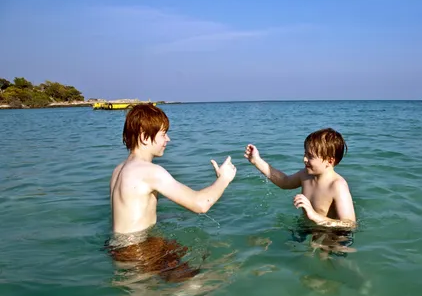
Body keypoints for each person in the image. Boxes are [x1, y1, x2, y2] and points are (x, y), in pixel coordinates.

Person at [108, 103, 236, 280]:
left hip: (119, 248)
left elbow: (132, 215)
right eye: (163, 134)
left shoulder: (119, 170)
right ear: (145, 137)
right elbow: (201, 204)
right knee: (207, 281)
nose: (168, 139)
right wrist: (224, 179)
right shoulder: (149, 171)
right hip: (139, 251)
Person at [244, 128, 356, 230]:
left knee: (326, 250)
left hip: (330, 232)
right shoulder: (305, 175)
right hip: (307, 227)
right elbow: (284, 182)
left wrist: (314, 216)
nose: (304, 159)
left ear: (329, 161)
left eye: (310, 156)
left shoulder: (337, 185)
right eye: (305, 154)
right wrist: (257, 161)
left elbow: (350, 223)